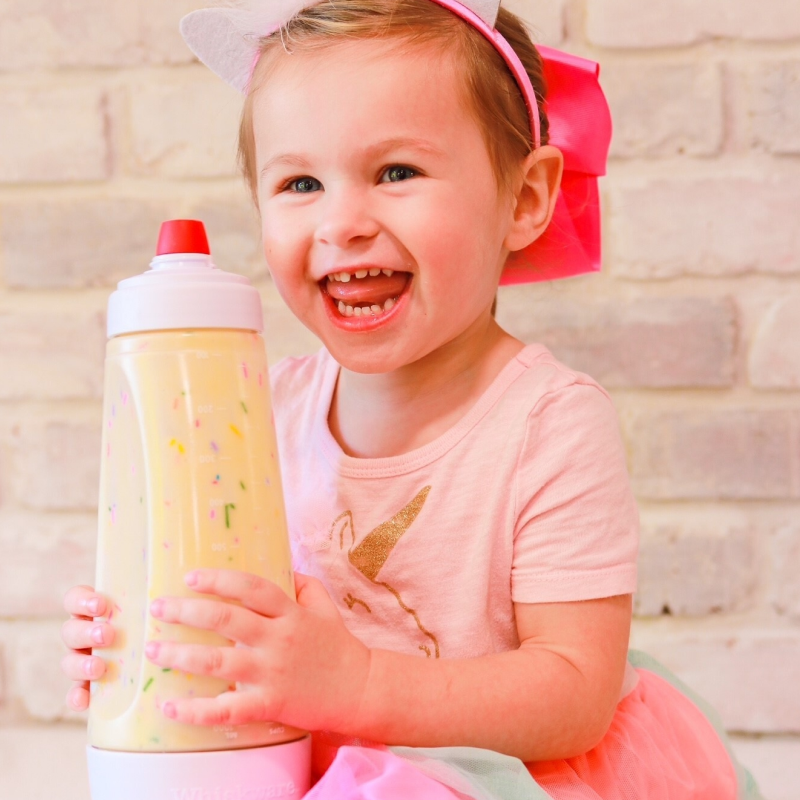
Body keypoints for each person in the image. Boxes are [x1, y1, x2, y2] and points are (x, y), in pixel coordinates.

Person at [60, 0, 762, 797]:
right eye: (300, 182)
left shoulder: (548, 424)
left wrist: (358, 685)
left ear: (526, 197)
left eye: (397, 172)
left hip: (488, 774)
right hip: (295, 760)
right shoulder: (260, 408)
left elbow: (575, 695)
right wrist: (153, 648)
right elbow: (221, 591)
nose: (342, 222)